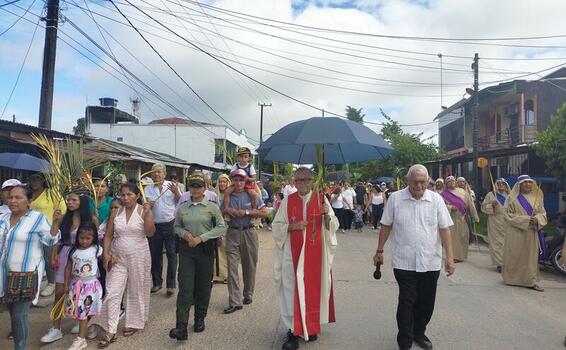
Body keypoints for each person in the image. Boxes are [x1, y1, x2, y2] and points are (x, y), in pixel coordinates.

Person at [373, 164, 455, 350]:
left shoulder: (436, 200)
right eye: (415, 182)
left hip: (430, 261)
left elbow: (444, 230)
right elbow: (386, 225)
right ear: (407, 180)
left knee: (426, 302)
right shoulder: (395, 199)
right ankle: (405, 339)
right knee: (407, 301)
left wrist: (449, 258)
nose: (419, 186)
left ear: (428, 181)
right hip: (404, 261)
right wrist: (379, 251)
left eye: (423, 182)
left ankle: (419, 332)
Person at [272, 167, 339, 350]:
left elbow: (332, 227)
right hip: (291, 256)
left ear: (312, 181)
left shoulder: (321, 198)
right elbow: (276, 226)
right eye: (298, 180)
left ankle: (310, 326)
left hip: (314, 256)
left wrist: (327, 216)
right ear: (294, 182)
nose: (302, 183)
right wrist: (292, 226)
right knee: (292, 290)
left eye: (306, 179)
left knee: (312, 290)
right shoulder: (288, 201)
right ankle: (293, 331)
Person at [92, 182, 155, 347]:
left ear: (137, 196)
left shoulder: (143, 210)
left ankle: (134, 322)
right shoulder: (115, 213)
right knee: (112, 291)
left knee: (136, 289)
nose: (126, 198)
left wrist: (148, 214)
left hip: (139, 255)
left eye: (129, 195)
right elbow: (108, 235)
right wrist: (105, 253)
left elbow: (150, 233)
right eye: (123, 195)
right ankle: (111, 329)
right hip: (117, 257)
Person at [0, 185, 61, 350]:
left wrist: (55, 223)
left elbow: (50, 240)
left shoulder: (37, 218)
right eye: (11, 197)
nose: (13, 200)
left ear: (29, 201)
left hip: (26, 275)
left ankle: (19, 348)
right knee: (13, 315)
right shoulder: (3, 217)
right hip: (4, 275)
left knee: (19, 316)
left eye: (18, 197)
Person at [169, 175, 226, 341]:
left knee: (203, 286)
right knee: (185, 287)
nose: (195, 189)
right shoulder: (183, 207)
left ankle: (200, 318)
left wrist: (201, 238)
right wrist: (185, 234)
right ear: (189, 188)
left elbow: (221, 227)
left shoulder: (212, 207)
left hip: (205, 250)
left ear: (204, 188)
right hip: (187, 250)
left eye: (199, 186)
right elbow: (176, 226)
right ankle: (181, 326)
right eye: (192, 186)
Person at [41, 193, 98, 344]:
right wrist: (54, 255)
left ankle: (83, 323)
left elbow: (98, 238)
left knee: (82, 293)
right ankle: (56, 328)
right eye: (68, 200)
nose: (70, 202)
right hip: (64, 255)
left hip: (83, 259)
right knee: (60, 292)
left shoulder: (90, 219)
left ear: (82, 201)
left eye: (74, 200)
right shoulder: (63, 218)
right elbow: (55, 239)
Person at [222, 169, 268, 314]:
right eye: (235, 180)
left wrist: (246, 212)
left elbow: (265, 212)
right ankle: (235, 301)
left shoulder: (252, 194)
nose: (238, 183)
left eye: (241, 180)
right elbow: (221, 211)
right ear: (232, 181)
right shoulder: (228, 195)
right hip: (233, 231)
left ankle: (248, 294)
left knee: (249, 265)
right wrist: (229, 211)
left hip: (249, 231)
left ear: (245, 181)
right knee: (232, 267)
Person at [502, 175, 547, 292]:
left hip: (531, 233)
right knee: (515, 256)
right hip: (516, 232)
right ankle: (512, 279)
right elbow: (507, 215)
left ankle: (531, 281)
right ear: (519, 185)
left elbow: (543, 213)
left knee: (530, 258)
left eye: (530, 182)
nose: (528, 184)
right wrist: (526, 220)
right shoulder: (512, 198)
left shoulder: (537, 197)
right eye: (525, 182)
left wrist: (537, 219)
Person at [64, 222, 103, 350]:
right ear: (77, 237)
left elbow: (105, 259)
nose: (84, 241)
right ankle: (87, 328)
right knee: (80, 311)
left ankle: (81, 339)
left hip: (90, 286)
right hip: (76, 285)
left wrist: (112, 259)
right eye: (82, 238)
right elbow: (68, 267)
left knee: (84, 312)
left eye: (88, 238)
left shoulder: (96, 249)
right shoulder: (73, 251)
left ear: (93, 238)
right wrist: (66, 284)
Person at [145, 163, 181, 297]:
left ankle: (171, 285)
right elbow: (145, 205)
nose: (156, 174)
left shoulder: (171, 186)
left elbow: (180, 201)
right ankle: (157, 282)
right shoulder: (148, 188)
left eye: (159, 172)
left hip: (170, 224)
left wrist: (176, 192)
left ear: (164, 174)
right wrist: (149, 204)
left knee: (172, 254)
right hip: (155, 225)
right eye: (154, 172)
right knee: (155, 255)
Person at [29, 173, 66, 298]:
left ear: (43, 180)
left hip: (48, 231)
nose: (34, 182)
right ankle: (35, 284)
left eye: (37, 179)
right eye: (32, 179)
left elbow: (63, 210)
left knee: (49, 257)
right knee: (34, 258)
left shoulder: (51, 193)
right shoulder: (27, 194)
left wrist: (55, 226)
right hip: (31, 231)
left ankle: (51, 283)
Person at [441, 176, 479, 262]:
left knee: (464, 237)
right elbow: (441, 207)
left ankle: (462, 255)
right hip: (452, 219)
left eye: (453, 181)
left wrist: (475, 217)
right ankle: (455, 256)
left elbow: (470, 204)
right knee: (454, 239)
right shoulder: (443, 195)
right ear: (446, 184)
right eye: (449, 182)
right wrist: (450, 207)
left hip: (463, 218)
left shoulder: (462, 192)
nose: (451, 183)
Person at [481, 178, 511, 272]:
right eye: (499, 184)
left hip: (507, 221)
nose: (501, 186)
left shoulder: (510, 196)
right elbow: (483, 207)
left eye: (503, 184)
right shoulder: (491, 195)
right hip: (495, 221)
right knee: (496, 243)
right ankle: (500, 264)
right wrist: (491, 205)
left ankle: (507, 262)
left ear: (506, 185)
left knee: (507, 242)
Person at [224, 147, 259, 211]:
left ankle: (254, 208)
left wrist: (248, 178)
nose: (243, 159)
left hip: (247, 184)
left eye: (245, 157)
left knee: (254, 194)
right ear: (238, 158)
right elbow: (229, 176)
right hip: (236, 184)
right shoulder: (235, 165)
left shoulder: (250, 166)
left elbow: (254, 178)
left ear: (249, 158)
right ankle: (226, 207)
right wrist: (233, 173)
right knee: (226, 192)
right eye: (241, 157)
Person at [212, 174, 231, 284]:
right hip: (216, 225)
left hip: (228, 225)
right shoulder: (214, 195)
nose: (222, 184)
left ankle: (227, 275)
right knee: (217, 249)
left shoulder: (231, 195)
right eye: (220, 181)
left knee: (226, 249)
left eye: (224, 181)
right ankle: (217, 275)